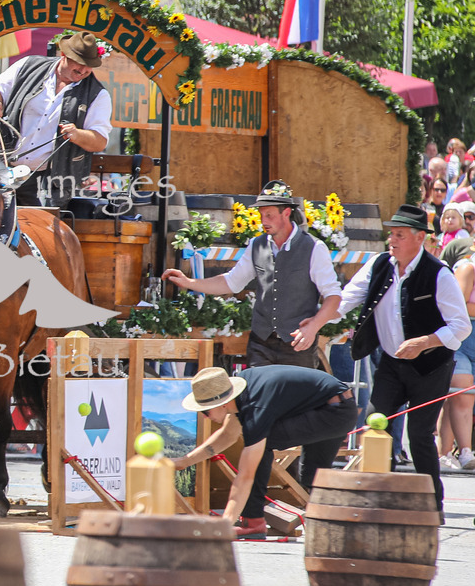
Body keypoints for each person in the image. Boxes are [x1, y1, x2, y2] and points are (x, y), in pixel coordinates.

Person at [338, 203, 472, 517]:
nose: (392, 241)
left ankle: (431, 506)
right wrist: (317, 320)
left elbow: (460, 325)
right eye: (391, 234)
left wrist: (425, 342)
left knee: (420, 435)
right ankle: (374, 501)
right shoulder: (379, 264)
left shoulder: (439, 273)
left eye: (399, 235)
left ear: (419, 238)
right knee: (376, 424)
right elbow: (346, 299)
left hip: (431, 366)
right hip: (391, 363)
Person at [162, 181, 342, 368]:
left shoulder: (313, 247)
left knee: (295, 397)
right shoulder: (257, 245)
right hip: (261, 343)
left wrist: (313, 327)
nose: (264, 221)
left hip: (298, 344)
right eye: (261, 215)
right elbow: (231, 282)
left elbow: (333, 296)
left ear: (286, 213)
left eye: (269, 215)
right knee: (257, 396)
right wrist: (189, 282)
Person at [174, 366, 358, 539]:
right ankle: (329, 526)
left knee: (260, 441)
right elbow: (228, 435)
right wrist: (184, 461)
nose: (205, 416)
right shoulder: (242, 390)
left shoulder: (256, 407)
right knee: (313, 476)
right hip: (331, 405)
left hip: (335, 412)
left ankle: (253, 522)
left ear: (222, 403)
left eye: (205, 411)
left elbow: (246, 477)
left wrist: (223, 524)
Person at [0, 31, 112, 207]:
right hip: (1, 168)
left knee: (39, 229)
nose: (83, 70)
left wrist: (77, 134)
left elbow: (99, 142)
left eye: (89, 66)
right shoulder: (28, 66)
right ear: (64, 55)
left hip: (46, 181)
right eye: (79, 63)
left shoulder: (98, 95)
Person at [442, 255, 475, 470]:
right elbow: (458, 308)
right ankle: (464, 451)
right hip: (461, 340)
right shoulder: (468, 268)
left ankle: (445, 452)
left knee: (459, 398)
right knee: (461, 394)